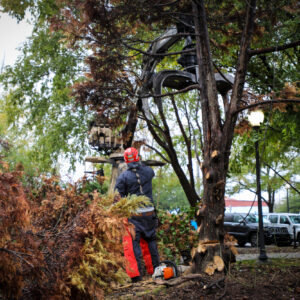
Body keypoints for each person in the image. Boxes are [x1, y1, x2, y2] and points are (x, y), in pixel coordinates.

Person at [115, 147, 160, 283]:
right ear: (138, 157)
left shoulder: (123, 177)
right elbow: (149, 172)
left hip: (134, 217)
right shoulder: (148, 171)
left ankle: (136, 277)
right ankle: (156, 271)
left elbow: (118, 196)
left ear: (126, 161)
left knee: (133, 245)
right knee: (151, 241)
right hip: (150, 215)